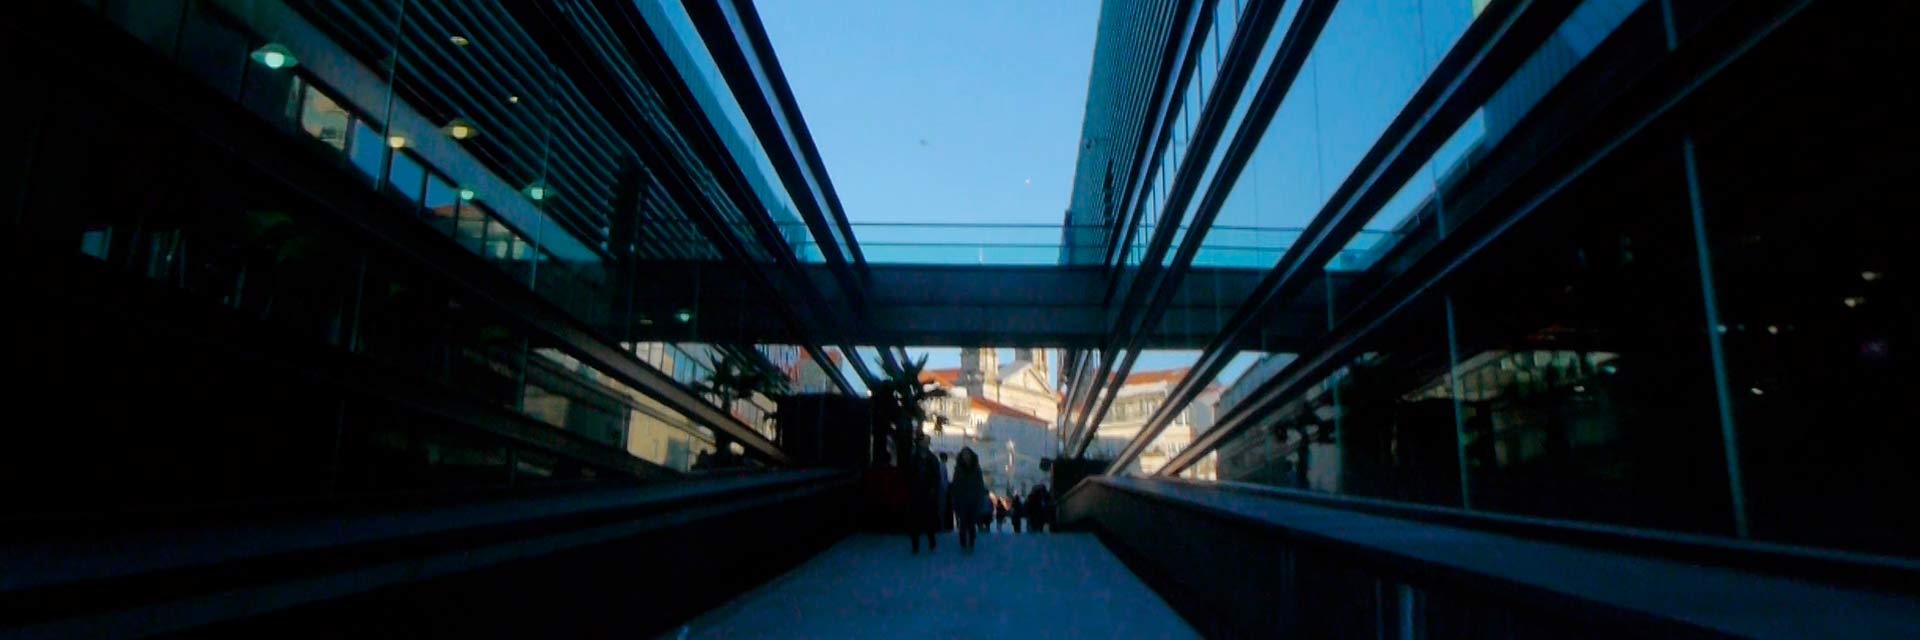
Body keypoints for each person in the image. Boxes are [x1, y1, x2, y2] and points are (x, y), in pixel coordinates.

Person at [948, 447, 991, 550]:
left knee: (971, 523)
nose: (966, 456)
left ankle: (971, 542)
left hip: (973, 499)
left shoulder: (976, 469)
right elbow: (956, 485)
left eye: (967, 454)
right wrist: (955, 498)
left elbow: (980, 484)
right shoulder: (958, 469)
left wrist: (979, 497)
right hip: (962, 500)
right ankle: (963, 543)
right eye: (964, 454)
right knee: (963, 523)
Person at [905, 434, 942, 553]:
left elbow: (937, 476)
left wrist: (934, 489)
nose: (925, 444)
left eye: (927, 441)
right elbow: (909, 475)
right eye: (923, 441)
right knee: (915, 519)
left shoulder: (932, 459)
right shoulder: (914, 458)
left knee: (929, 518)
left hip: (929, 493)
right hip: (916, 492)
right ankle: (915, 545)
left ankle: (932, 542)